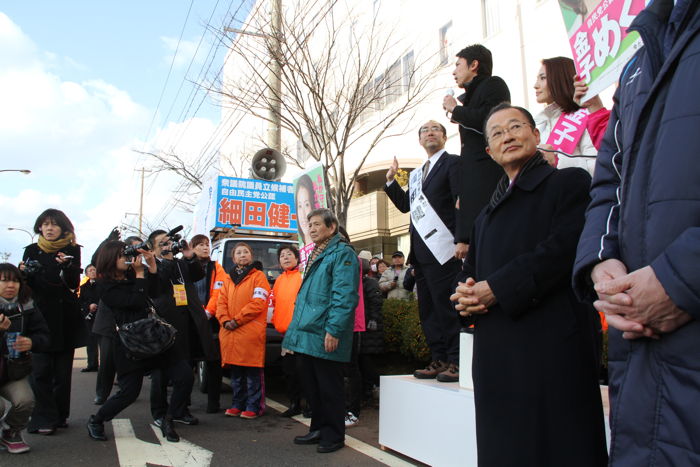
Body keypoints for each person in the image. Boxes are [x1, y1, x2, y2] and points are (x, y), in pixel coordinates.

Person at [573, 2, 700, 464]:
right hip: (641, 356)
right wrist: (601, 264)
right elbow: (609, 181)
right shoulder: (635, 67)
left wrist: (680, 278)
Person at [451, 103, 607, 466]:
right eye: (497, 133)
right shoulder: (485, 216)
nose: (508, 136)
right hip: (496, 357)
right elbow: (469, 273)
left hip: (551, 349)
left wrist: (497, 289)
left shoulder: (569, 183)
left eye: (516, 126)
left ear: (536, 135)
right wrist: (463, 296)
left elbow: (563, 249)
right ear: (489, 152)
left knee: (558, 447)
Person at [86, 241, 187, 443]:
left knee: (184, 377)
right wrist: (140, 274)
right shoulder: (104, 284)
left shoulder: (135, 273)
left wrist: (152, 265)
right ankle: (97, 420)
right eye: (121, 255)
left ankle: (167, 419)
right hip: (130, 343)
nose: (127, 258)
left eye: (127, 254)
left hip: (154, 336)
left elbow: (156, 292)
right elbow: (134, 302)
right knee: (129, 393)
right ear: (109, 259)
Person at [384, 121, 462, 382]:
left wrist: (463, 239)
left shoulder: (453, 163)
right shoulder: (417, 174)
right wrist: (391, 181)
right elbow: (407, 206)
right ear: (420, 140)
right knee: (428, 310)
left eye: (435, 129)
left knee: (447, 306)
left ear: (444, 136)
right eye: (424, 131)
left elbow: (461, 203)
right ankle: (438, 358)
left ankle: (456, 360)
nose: (430, 133)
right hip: (421, 253)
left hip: (445, 248)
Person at [283, 208, 359, 454]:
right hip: (307, 332)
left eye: (317, 224)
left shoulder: (343, 253)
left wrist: (334, 330)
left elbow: (344, 296)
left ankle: (334, 435)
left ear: (332, 227)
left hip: (325, 331)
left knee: (329, 388)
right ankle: (318, 428)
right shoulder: (317, 253)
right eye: (310, 225)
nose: (313, 229)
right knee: (313, 387)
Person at [21, 208, 86, 435]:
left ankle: (59, 415)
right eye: (45, 224)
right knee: (39, 372)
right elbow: (25, 288)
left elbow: (73, 284)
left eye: (54, 225)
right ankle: (43, 417)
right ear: (39, 227)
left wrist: (66, 266)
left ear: (63, 228)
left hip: (64, 318)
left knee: (61, 373)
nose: (49, 228)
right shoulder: (31, 251)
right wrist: (24, 275)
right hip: (38, 319)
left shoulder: (71, 250)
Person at [442, 44, 510, 254]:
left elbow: (490, 121)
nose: (454, 72)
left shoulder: (493, 85)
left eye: (458, 65)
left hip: (490, 175)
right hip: (472, 179)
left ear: (474, 65)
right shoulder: (469, 96)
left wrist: (456, 109)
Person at [148, 230, 217, 427]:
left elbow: (198, 274)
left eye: (169, 242)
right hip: (164, 325)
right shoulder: (153, 267)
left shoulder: (181, 263)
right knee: (161, 374)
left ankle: (180, 409)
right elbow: (157, 286)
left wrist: (189, 256)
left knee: (186, 368)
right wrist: (167, 259)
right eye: (162, 243)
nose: (168, 246)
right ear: (153, 249)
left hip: (188, 322)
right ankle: (159, 412)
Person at [0, 263, 50, 454]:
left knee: (25, 400)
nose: (10, 285)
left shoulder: (27, 306)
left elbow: (44, 336)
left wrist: (32, 342)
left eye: (15, 281)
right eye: (4, 280)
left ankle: (10, 432)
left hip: (13, 369)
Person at [217, 242, 270, 419]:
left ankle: (253, 406)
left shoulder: (259, 276)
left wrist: (236, 320)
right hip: (230, 331)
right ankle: (237, 404)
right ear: (233, 258)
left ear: (251, 256)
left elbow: (258, 303)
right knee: (237, 373)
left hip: (249, 331)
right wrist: (225, 320)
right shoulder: (228, 278)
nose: (242, 255)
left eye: (245, 252)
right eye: (238, 253)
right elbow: (220, 303)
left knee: (252, 372)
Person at [92, 235, 143, 405]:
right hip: (108, 324)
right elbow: (96, 259)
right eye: (127, 252)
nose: (130, 256)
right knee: (107, 360)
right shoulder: (105, 280)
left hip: (130, 325)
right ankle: (102, 392)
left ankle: (125, 391)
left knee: (127, 360)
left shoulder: (132, 273)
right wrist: (107, 241)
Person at [533, 56, 602, 174]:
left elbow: (597, 168)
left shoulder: (586, 116)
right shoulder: (542, 125)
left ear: (560, 79)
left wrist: (556, 160)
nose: (535, 85)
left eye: (542, 78)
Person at [189, 234, 227, 414]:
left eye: (207, 245)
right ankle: (184, 401)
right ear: (192, 247)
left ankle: (214, 402)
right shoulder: (184, 266)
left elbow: (219, 291)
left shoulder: (216, 267)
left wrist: (208, 312)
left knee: (213, 361)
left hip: (210, 321)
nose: (205, 248)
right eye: (200, 245)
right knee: (187, 362)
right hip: (188, 319)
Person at [270, 244, 305, 417]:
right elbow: (275, 304)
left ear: (297, 258)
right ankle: (294, 404)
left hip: (302, 333)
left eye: (289, 254)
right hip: (285, 335)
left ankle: (310, 405)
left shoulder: (302, 276)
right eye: (282, 255)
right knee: (289, 371)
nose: (285, 257)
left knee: (303, 370)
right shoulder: (279, 280)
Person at [79, 264, 100, 372]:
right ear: (86, 274)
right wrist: (88, 306)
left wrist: (96, 305)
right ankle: (92, 364)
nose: (92, 272)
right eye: (90, 270)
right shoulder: (83, 287)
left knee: (103, 341)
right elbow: (80, 301)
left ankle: (106, 365)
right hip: (89, 317)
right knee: (90, 341)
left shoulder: (102, 285)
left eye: (94, 270)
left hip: (101, 315)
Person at [295, 174, 315, 247]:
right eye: (299, 206)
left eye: (307, 205)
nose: (303, 214)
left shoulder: (324, 247)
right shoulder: (301, 249)